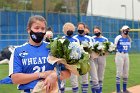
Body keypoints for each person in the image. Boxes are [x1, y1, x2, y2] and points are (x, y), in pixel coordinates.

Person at [9, 15, 70, 93]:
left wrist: (55, 75)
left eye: (43, 28)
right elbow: (15, 78)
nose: (40, 31)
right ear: (28, 30)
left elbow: (67, 72)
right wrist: (41, 74)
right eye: (36, 28)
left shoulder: (53, 48)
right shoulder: (18, 51)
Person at [60, 22, 79, 93]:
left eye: (71, 29)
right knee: (62, 82)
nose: (69, 30)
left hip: (73, 63)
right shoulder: (61, 39)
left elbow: (78, 51)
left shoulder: (75, 40)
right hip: (63, 63)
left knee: (74, 81)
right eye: (67, 29)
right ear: (64, 30)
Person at [73, 22, 91, 93]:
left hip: (85, 62)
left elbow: (90, 50)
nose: (80, 29)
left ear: (84, 28)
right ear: (77, 29)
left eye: (82, 28)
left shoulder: (88, 38)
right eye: (79, 28)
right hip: (76, 62)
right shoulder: (74, 38)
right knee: (75, 80)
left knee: (85, 80)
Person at [114, 25, 131, 93]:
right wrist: (115, 56)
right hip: (119, 54)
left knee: (126, 72)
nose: (127, 31)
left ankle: (124, 89)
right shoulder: (118, 37)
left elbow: (129, 47)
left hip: (126, 55)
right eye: (126, 30)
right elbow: (114, 47)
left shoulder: (128, 39)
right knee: (119, 72)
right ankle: (118, 90)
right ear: (122, 30)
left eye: (128, 30)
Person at [92, 26, 108, 93]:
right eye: (95, 32)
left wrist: (105, 51)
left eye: (97, 31)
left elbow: (107, 50)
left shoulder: (105, 39)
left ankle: (100, 91)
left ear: (100, 31)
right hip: (94, 58)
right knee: (94, 76)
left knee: (100, 76)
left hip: (102, 57)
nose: (96, 32)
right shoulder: (92, 38)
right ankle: (94, 91)